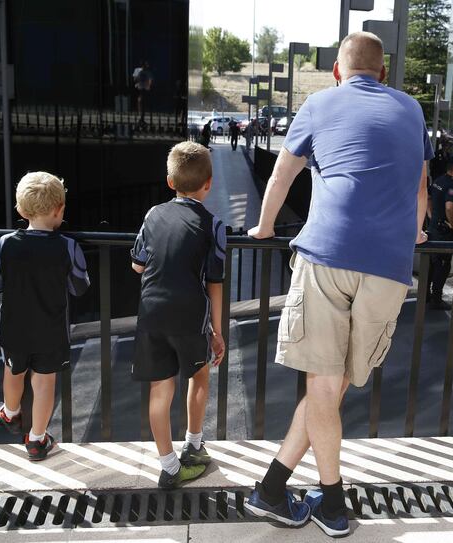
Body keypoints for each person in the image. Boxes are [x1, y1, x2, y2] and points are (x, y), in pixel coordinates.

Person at [245, 31, 432, 537]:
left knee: (323, 387)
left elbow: (283, 176)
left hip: (327, 255)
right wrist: (413, 235)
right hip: (390, 266)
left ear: (336, 71)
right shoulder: (413, 111)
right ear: (384, 74)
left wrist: (263, 229)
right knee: (338, 385)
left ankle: (328, 504)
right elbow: (420, 189)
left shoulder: (319, 104)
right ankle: (275, 488)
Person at [130, 141, 227, 488]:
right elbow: (215, 282)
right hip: (189, 314)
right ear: (209, 183)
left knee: (160, 388)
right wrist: (217, 332)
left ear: (170, 182)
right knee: (199, 376)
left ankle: (169, 465)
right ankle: (194, 445)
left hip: (152, 311)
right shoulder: (213, 224)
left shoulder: (153, 214)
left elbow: (138, 264)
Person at [0, 172, 90, 460]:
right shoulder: (68, 246)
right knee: (45, 382)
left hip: (14, 326)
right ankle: (36, 439)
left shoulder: (6, 243)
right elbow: (79, 286)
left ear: (21, 211)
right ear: (60, 210)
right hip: (51, 327)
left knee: (13, 368)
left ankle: (9, 412)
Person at [427, 155, 453, 310]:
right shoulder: (452, 185)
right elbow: (450, 207)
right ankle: (436, 299)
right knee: (443, 266)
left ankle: (426, 295)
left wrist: (431, 216)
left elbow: (429, 198)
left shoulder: (438, 181)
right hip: (444, 232)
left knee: (432, 263)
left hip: (433, 228)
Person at [133, 61, 153, 126]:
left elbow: (150, 80)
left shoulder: (148, 71)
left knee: (143, 103)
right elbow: (135, 79)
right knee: (140, 100)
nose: (147, 66)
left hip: (145, 88)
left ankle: (142, 118)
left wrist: (148, 86)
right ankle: (140, 118)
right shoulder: (138, 70)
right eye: (146, 65)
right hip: (139, 87)